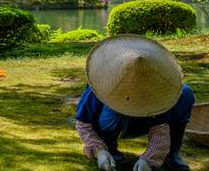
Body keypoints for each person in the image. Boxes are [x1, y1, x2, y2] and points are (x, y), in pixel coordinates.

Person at [76, 35, 194, 171]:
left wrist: (148, 159)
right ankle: (109, 148)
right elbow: (83, 124)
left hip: (141, 122)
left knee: (185, 92)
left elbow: (160, 129)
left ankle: (172, 153)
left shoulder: (155, 91)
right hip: (111, 123)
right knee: (115, 111)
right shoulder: (100, 85)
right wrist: (100, 151)